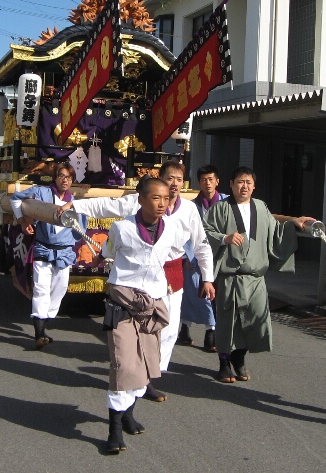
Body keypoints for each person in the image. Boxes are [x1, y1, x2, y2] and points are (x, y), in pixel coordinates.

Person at [60, 160, 214, 402]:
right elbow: (108, 206)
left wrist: (208, 277)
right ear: (160, 180)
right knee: (139, 330)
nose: (174, 184)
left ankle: (151, 375)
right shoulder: (140, 201)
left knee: (169, 331)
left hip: (173, 273)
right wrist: (76, 205)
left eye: (178, 179)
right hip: (140, 278)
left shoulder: (189, 210)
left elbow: (201, 245)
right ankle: (140, 380)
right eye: (169, 178)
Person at [99, 177, 199, 453]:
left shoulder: (172, 230)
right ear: (141, 199)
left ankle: (128, 414)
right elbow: (109, 250)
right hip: (123, 305)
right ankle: (114, 429)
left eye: (166, 198)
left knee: (145, 365)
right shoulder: (122, 228)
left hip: (152, 306)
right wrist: (102, 256)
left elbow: (181, 251)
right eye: (155, 198)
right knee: (123, 364)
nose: (162, 203)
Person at [202, 166, 314, 383]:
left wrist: (293, 223)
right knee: (228, 322)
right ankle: (224, 363)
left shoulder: (261, 207)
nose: (244, 186)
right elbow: (205, 233)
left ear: (254, 186)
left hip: (255, 279)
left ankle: (239, 358)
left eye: (248, 182)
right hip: (230, 277)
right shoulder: (219, 208)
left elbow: (275, 231)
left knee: (254, 321)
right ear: (231, 185)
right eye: (240, 182)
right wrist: (224, 238)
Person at [11, 163, 86, 349]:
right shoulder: (41, 193)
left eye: (69, 177)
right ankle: (39, 333)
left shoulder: (75, 202)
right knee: (41, 289)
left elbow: (80, 229)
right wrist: (22, 221)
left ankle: (45, 323)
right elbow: (15, 198)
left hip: (64, 252)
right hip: (43, 248)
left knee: (60, 288)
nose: (65, 180)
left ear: (72, 181)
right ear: (55, 177)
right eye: (61, 176)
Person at [178, 164, 228, 351]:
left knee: (216, 295)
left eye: (211, 179)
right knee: (193, 293)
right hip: (196, 256)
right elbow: (186, 234)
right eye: (204, 180)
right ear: (198, 183)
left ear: (217, 181)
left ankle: (211, 330)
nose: (207, 183)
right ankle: (193, 329)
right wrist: (187, 257)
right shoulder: (192, 206)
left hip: (221, 255)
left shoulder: (226, 203)